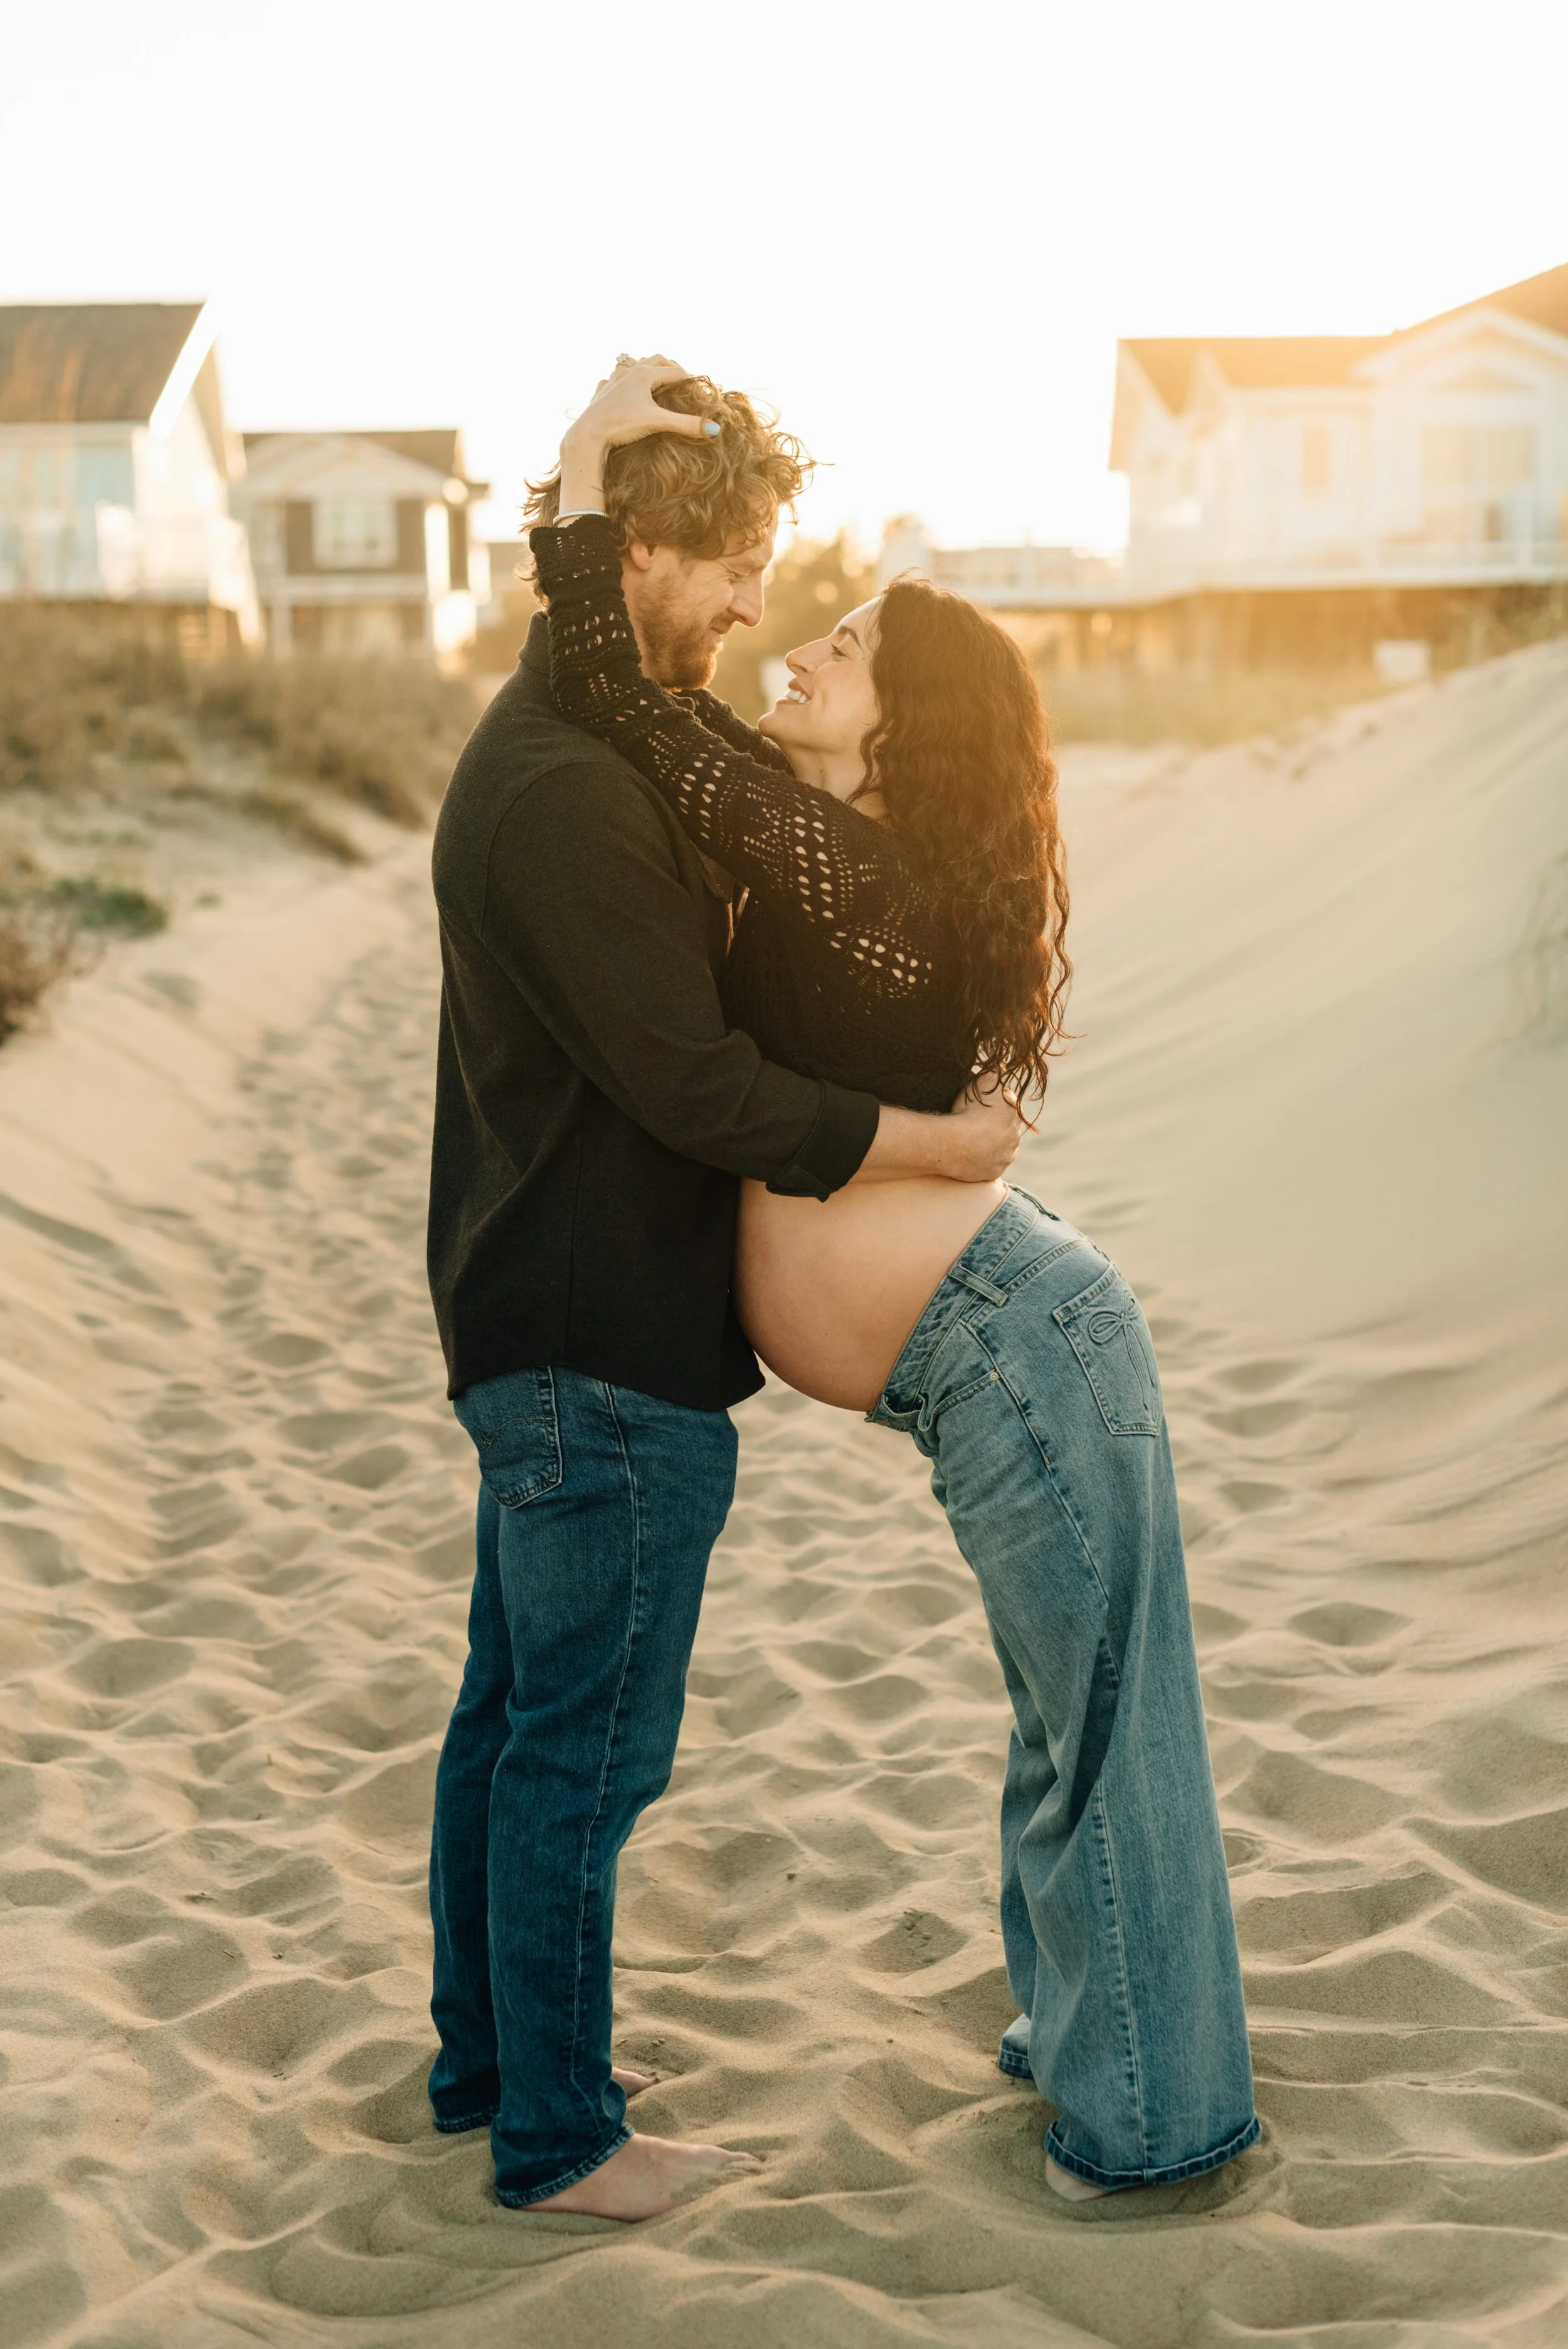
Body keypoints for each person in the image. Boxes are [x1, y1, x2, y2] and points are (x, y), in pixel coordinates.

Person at [527, 358, 1261, 2202]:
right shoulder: (855, 870)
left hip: (1022, 1348)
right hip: (1011, 1351)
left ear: (895, 725)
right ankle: (1092, 2038)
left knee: (1099, 1730)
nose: (793, 656)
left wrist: (578, 464)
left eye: (838, 649)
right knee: (1069, 1717)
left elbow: (614, 684)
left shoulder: (838, 868)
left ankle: (1159, 2131)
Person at [425, 371, 1023, 2224]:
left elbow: (610, 656)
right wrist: (929, 1143)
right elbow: (694, 1087)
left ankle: (487, 2069)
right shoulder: (560, 798)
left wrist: (585, 485)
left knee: (512, 1726)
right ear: (656, 551)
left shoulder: (597, 739)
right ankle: (557, 2144)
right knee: (584, 1761)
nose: (755, 605)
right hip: (594, 1348)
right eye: (739, 564)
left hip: (565, 1326)